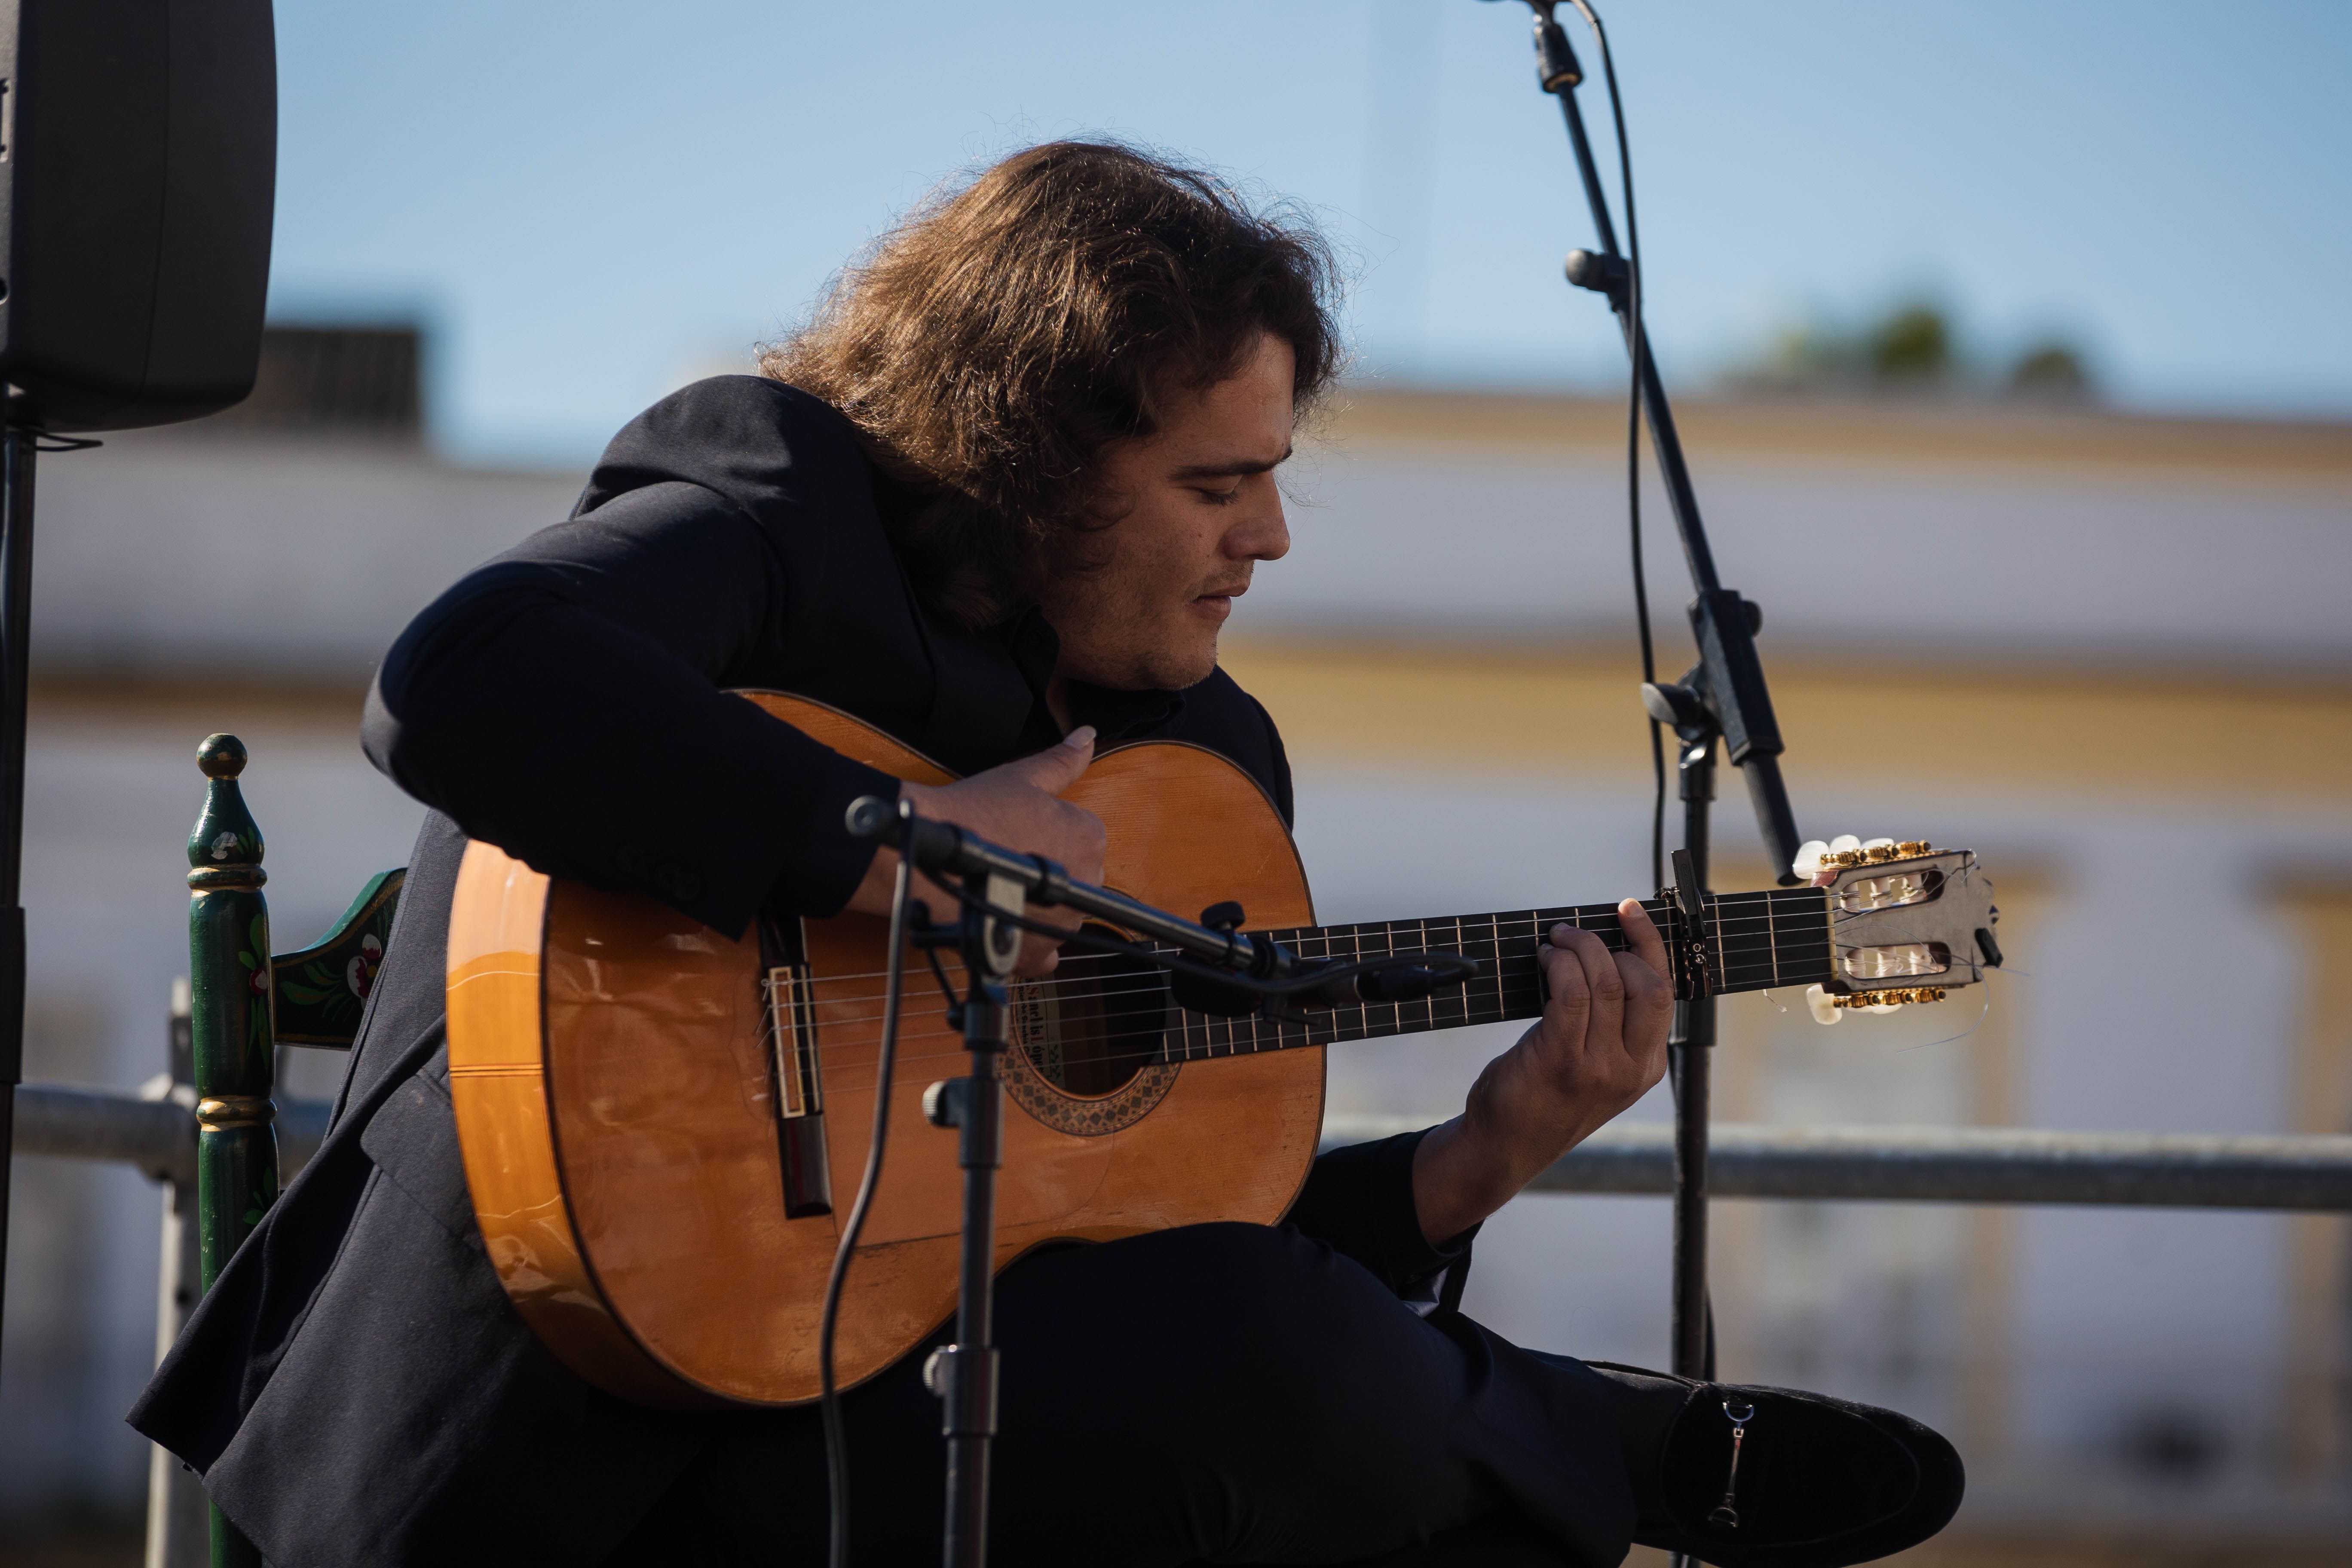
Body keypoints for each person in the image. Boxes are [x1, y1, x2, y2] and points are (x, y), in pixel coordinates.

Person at [132, 141, 1960, 1568]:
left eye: (1275, 474)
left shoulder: (1200, 772)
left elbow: (1133, 1263)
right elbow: (458, 683)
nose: (1270, 540)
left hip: (892, 1426)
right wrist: (881, 844)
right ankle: (1623, 1447)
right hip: (543, 1470)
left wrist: (1492, 1150)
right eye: (1213, 484)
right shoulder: (776, 513)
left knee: (1331, 1427)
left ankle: (1575, 1450)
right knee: (1313, 1410)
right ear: (1026, 452)